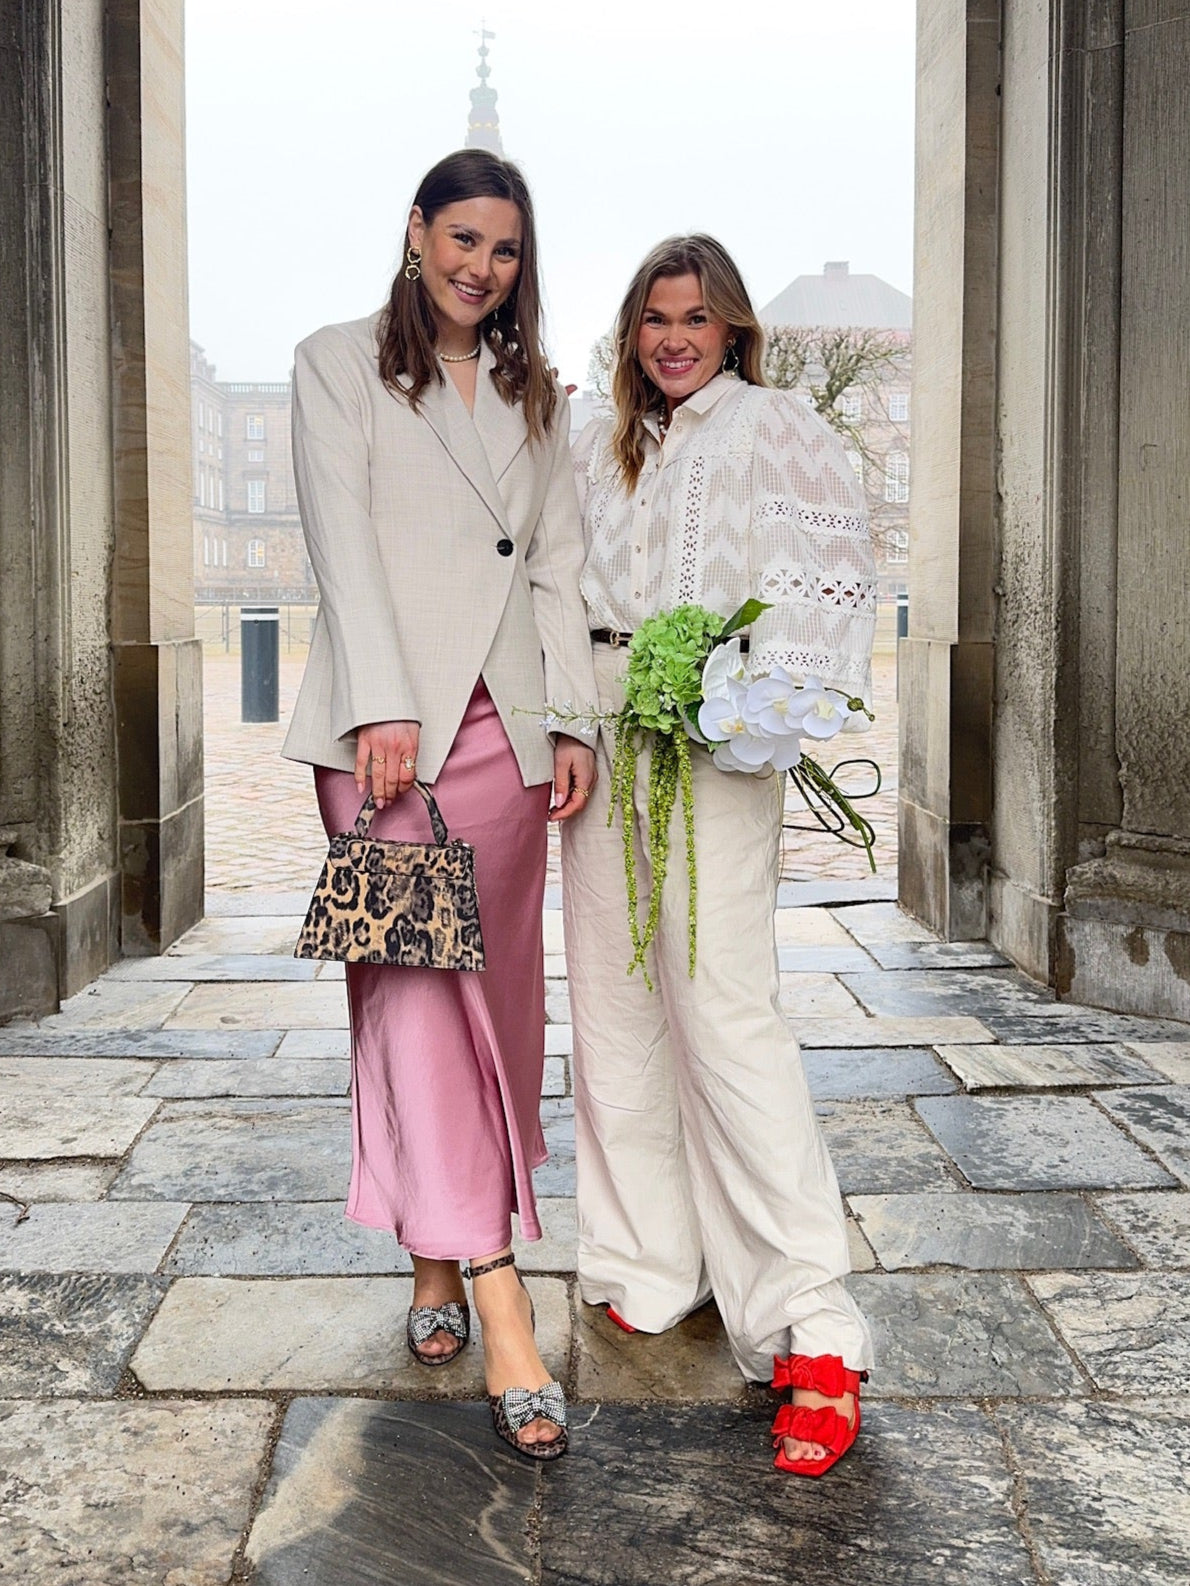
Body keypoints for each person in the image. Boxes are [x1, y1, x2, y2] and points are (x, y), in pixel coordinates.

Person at [282, 148, 598, 1461]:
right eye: (463, 237)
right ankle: (500, 1289)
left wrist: (570, 715)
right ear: (415, 231)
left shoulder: (536, 394)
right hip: (386, 739)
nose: (482, 266)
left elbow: (558, 560)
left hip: (505, 736)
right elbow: (340, 544)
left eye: (505, 248)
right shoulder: (333, 362)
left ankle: (432, 1248)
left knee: (497, 1005)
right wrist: (380, 703)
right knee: (415, 995)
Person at [562, 234, 877, 1477]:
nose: (673, 338)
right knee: (614, 1001)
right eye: (654, 317)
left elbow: (826, 579)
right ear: (630, 331)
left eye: (695, 317)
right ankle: (646, 1259)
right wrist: (566, 719)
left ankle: (811, 1324)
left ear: (732, 326)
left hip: (711, 735)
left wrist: (742, 706)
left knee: (725, 1010)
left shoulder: (772, 426)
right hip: (598, 731)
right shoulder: (602, 439)